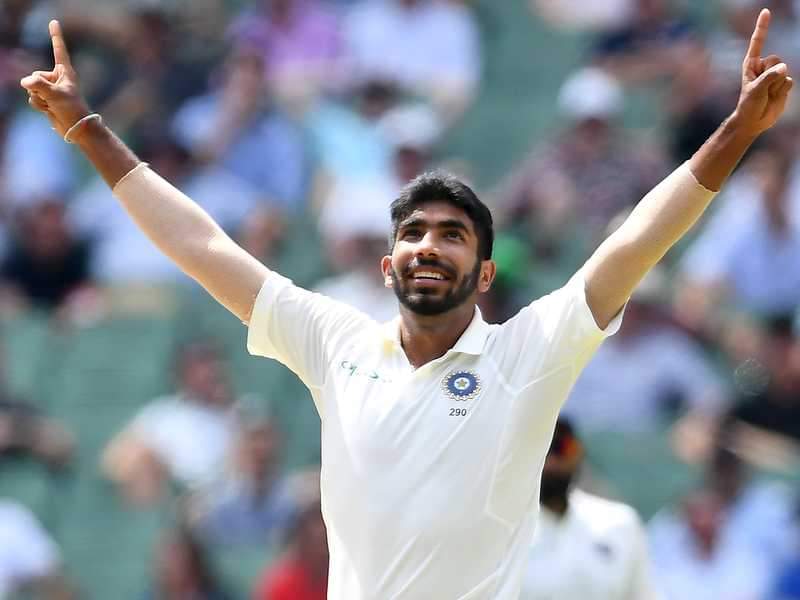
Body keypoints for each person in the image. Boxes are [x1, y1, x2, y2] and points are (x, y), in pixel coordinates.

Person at [20, 11, 793, 598]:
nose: (430, 245)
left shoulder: (528, 352)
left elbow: (635, 245)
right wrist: (89, 132)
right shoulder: (336, 341)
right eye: (414, 233)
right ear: (388, 266)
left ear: (484, 275)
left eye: (453, 235)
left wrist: (737, 132)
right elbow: (203, 247)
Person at [519, 418, 658, 599]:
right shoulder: (505, 529)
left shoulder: (621, 522)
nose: (551, 461)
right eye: (543, 448)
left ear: (577, 453)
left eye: (560, 447)